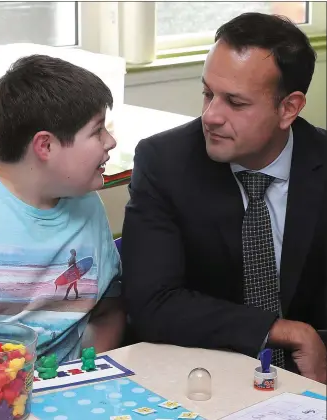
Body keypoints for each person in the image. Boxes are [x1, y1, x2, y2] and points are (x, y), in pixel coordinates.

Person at [121, 12, 327, 383]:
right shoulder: (164, 162)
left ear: (289, 108)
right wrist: (283, 330)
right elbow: (151, 304)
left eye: (235, 102)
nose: (210, 115)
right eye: (207, 93)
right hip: (202, 372)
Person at [0, 54, 125, 363]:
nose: (111, 141)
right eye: (97, 130)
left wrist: (88, 374)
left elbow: (109, 309)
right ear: (45, 146)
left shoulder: (86, 202)